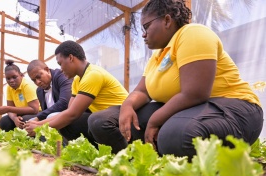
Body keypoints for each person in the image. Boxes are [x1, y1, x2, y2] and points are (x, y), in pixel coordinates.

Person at [88, 0, 264, 159]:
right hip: (192, 109)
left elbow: (195, 93)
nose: (143, 34)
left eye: (146, 26)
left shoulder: (193, 33)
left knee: (175, 136)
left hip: (235, 109)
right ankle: (141, 162)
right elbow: (142, 91)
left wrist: (155, 120)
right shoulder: (157, 56)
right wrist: (127, 105)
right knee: (102, 121)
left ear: (166, 20)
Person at [24, 40, 129, 145]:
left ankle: (123, 153)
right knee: (64, 121)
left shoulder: (93, 74)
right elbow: (69, 111)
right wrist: (39, 123)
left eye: (60, 64)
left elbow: (73, 114)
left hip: (123, 113)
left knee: (94, 121)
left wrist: (39, 126)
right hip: (105, 117)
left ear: (70, 58)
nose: (60, 69)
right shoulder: (77, 80)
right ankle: (91, 151)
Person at [0, 59, 40, 131]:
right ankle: (15, 138)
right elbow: (11, 108)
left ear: (21, 75)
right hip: (21, 114)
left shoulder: (27, 85)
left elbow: (34, 109)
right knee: (4, 122)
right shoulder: (9, 88)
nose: (11, 81)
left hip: (38, 113)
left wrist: (8, 109)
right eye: (8, 78)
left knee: (24, 120)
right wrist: (15, 118)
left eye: (14, 77)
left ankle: (30, 138)